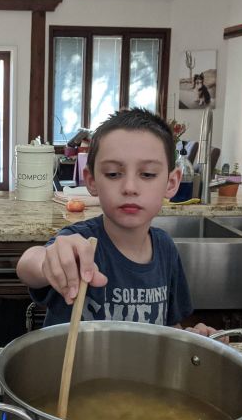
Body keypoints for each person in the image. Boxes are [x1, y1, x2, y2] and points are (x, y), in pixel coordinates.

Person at [16, 107, 216, 336]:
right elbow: (27, 266)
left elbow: (169, 328)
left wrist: (191, 338)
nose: (130, 187)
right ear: (91, 180)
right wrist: (47, 261)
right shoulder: (82, 243)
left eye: (148, 174)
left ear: (171, 183)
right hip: (73, 372)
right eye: (113, 174)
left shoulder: (165, 249)